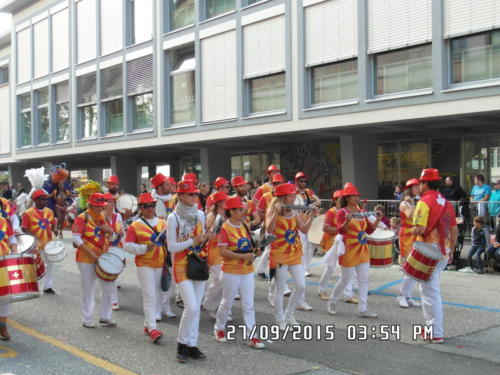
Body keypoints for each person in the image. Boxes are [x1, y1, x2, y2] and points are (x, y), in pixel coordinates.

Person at [412, 168, 458, 344]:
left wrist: (409, 227)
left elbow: (420, 229)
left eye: (421, 182)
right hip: (443, 251)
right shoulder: (446, 202)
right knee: (432, 290)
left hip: (428, 250)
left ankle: (435, 332)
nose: (419, 186)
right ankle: (432, 328)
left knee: (429, 292)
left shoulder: (424, 202)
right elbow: (454, 230)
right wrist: (452, 250)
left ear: (425, 183)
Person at [213, 197, 265, 349]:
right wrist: (242, 256)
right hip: (230, 271)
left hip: (247, 270)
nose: (243, 212)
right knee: (227, 302)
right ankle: (219, 329)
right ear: (231, 211)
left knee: (248, 304)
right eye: (240, 210)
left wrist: (257, 251)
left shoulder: (244, 226)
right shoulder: (224, 228)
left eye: (242, 209)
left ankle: (252, 336)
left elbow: (249, 247)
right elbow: (223, 251)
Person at [167, 180, 209, 363]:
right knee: (191, 306)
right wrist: (194, 241)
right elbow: (172, 247)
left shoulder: (200, 214)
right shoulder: (172, 218)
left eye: (195, 194)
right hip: (181, 265)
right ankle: (181, 344)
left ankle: (192, 344)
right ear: (181, 196)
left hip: (198, 263)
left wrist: (206, 238)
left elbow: (202, 238)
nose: (194, 197)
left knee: (196, 308)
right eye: (191, 194)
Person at [327, 183, 381, 318]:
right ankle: (332, 300)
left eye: (357, 195)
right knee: (345, 279)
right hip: (349, 250)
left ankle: (363, 309)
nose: (357, 198)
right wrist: (347, 221)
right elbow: (341, 230)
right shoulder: (342, 212)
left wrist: (378, 220)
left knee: (364, 280)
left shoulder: (362, 212)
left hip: (362, 249)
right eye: (353, 196)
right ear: (347, 198)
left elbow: (369, 230)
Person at [267, 183, 314, 330]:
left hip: (294, 252)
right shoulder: (272, 210)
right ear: (284, 197)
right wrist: (276, 212)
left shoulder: (294, 211)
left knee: (301, 286)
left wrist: (312, 215)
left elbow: (304, 229)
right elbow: (269, 229)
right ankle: (279, 319)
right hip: (279, 254)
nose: (295, 197)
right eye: (292, 195)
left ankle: (289, 314)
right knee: (280, 288)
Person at [124, 192, 170, 343]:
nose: (150, 208)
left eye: (152, 205)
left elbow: (170, 243)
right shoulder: (135, 226)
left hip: (160, 263)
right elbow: (128, 246)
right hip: (144, 264)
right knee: (150, 295)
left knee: (155, 294)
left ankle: (147, 324)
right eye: (146, 206)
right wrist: (144, 248)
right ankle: (153, 328)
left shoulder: (164, 224)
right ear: (141, 208)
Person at [72, 193, 117, 328]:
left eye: (101, 206)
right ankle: (87, 318)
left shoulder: (102, 217)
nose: (99, 209)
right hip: (85, 259)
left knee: (109, 286)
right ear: (90, 205)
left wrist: (110, 230)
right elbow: (76, 238)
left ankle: (105, 316)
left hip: (102, 258)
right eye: (96, 206)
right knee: (88, 289)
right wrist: (91, 253)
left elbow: (112, 238)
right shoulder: (82, 217)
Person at [318, 190, 357, 303]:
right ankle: (321, 290)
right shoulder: (331, 212)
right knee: (330, 267)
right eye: (340, 199)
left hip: (344, 242)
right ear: (335, 200)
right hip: (332, 242)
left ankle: (348, 294)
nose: (342, 200)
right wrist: (340, 230)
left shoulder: (347, 211)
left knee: (348, 268)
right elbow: (325, 228)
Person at [21, 189, 57, 294]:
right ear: (35, 200)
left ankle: (48, 286)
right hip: (35, 245)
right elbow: (24, 228)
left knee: (49, 265)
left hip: (48, 243)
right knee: (34, 266)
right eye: (42, 199)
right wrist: (33, 237)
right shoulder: (28, 213)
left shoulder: (50, 212)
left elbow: (53, 224)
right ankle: (30, 286)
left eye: (45, 199)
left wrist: (55, 229)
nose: (44, 201)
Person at [202, 191, 229, 319]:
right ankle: (210, 304)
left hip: (228, 250)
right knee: (219, 280)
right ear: (218, 203)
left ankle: (218, 306)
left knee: (225, 281)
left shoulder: (230, 214)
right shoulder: (212, 216)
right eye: (224, 200)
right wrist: (217, 230)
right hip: (214, 251)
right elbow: (209, 235)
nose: (227, 202)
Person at [397, 178, 421, 308]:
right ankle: (402, 296)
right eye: (416, 187)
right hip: (407, 235)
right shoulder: (404, 203)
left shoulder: (415, 201)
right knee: (409, 266)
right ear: (410, 189)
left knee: (415, 267)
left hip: (415, 234)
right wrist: (412, 204)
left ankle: (408, 296)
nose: (418, 188)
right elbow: (410, 216)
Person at [294, 171, 321, 278]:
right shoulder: (294, 193)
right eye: (301, 181)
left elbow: (318, 200)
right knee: (305, 245)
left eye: (305, 181)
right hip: (301, 220)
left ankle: (306, 267)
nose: (304, 183)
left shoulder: (308, 191)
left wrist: (315, 204)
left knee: (311, 245)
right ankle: (304, 269)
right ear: (296, 182)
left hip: (310, 220)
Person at [103, 193, 125, 311]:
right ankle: (111, 298)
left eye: (112, 202)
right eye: (108, 201)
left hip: (117, 248)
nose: (110, 204)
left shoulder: (118, 216)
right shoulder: (99, 217)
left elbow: (122, 232)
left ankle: (113, 299)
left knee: (113, 275)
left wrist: (119, 235)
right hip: (104, 248)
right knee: (108, 275)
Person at [0, 214, 17, 340]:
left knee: (5, 297)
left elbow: (12, 239)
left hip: (4, 262)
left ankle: (3, 326)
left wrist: (15, 251)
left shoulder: (3, 221)